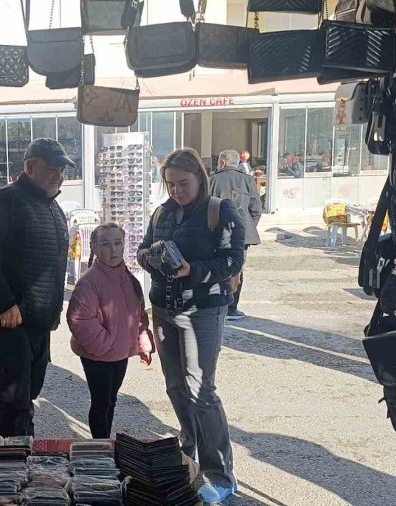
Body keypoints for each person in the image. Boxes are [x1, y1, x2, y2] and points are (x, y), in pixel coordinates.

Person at [138, 148, 244, 504]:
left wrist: (191, 271)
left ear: (199, 176)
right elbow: (140, 249)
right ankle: (189, 452)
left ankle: (220, 474)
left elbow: (233, 259)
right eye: (170, 184)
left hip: (202, 309)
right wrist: (149, 257)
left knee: (201, 391)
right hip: (164, 307)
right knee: (174, 387)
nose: (177, 191)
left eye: (183, 183)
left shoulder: (220, 210)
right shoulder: (162, 212)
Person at [0, 138, 70, 437]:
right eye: (52, 169)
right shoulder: (3, 202)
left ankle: (23, 447)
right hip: (7, 324)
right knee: (9, 404)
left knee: (26, 396)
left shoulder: (52, 208)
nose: (59, 175)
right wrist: (4, 303)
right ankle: (10, 466)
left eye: (62, 169)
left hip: (38, 325)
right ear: (30, 167)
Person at [66, 223, 154, 439]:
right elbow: (79, 319)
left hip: (120, 353)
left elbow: (138, 313)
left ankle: (105, 441)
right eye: (105, 244)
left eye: (117, 243)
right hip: (98, 355)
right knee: (101, 402)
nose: (113, 250)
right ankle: (100, 445)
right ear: (94, 247)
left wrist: (142, 342)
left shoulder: (129, 278)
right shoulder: (89, 282)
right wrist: (105, 345)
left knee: (111, 400)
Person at [210, 149, 262, 321]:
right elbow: (256, 210)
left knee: (217, 267)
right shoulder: (248, 180)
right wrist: (246, 229)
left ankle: (218, 305)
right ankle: (232, 307)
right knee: (237, 269)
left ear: (223, 162)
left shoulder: (212, 180)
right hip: (242, 234)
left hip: (215, 232)